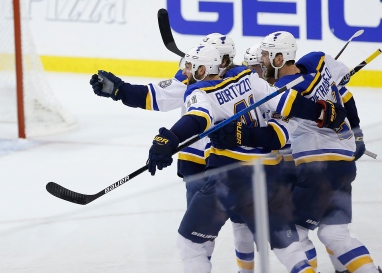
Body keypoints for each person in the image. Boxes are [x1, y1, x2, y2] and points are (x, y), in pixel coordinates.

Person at [147, 44, 347, 272]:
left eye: (191, 67)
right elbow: (286, 101)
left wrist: (170, 138)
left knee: (191, 245)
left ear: (203, 70)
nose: (185, 72)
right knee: (288, 249)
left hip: (229, 180)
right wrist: (322, 112)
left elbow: (197, 118)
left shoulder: (199, 91)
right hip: (269, 177)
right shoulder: (248, 78)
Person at [90, 34, 257, 273]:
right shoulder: (243, 76)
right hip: (223, 160)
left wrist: (169, 138)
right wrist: (121, 90)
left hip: (215, 160)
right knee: (227, 227)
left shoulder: (211, 83)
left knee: (197, 237)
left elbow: (163, 99)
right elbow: (158, 94)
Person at [256, 32, 380, 273]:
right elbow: (344, 86)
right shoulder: (319, 60)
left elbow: (281, 119)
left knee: (291, 232)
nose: (262, 61)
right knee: (335, 234)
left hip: (318, 166)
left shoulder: (284, 88)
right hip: (344, 164)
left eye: (265, 56)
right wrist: (357, 133)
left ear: (279, 58)